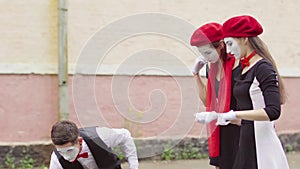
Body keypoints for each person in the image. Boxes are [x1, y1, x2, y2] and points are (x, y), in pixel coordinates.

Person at [198, 15, 290, 169]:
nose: (228, 50)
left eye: (230, 43)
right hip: (245, 141)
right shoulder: (244, 67)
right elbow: (247, 118)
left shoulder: (263, 67)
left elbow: (273, 111)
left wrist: (235, 114)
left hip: (261, 145)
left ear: (244, 39)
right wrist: (218, 116)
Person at [190, 23, 241, 169]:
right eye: (202, 54)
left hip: (239, 125)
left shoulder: (237, 64)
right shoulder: (210, 67)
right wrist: (195, 74)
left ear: (221, 44)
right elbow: (208, 99)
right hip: (221, 127)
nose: (206, 57)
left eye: (207, 53)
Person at [49, 120, 139, 169]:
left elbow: (125, 135)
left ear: (79, 141)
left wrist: (133, 166)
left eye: (69, 151)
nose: (66, 157)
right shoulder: (56, 159)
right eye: (61, 152)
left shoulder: (100, 137)